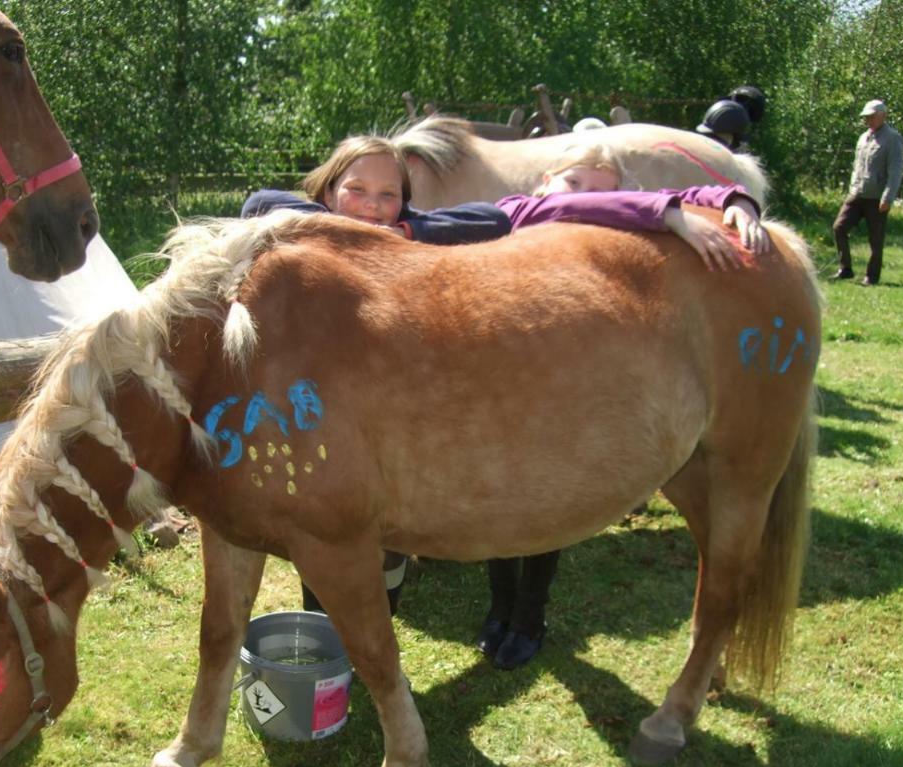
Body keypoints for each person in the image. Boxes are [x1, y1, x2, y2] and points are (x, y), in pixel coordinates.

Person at [241, 135, 770, 626]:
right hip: (326, 417)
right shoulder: (299, 229)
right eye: (355, 190)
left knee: (398, 541)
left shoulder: (462, 223)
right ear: (328, 189)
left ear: (407, 200)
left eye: (389, 194)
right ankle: (329, 632)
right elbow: (259, 202)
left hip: (431, 411)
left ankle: (438, 618)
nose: (372, 205)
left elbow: (550, 209)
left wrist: (680, 207)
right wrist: (353, 233)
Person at [832, 99, 903, 286]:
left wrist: (888, 197)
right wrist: (852, 188)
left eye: (872, 116)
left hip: (877, 198)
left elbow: (895, 171)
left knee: (875, 239)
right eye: (866, 117)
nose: (868, 120)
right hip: (857, 194)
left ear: (883, 116)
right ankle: (845, 268)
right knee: (839, 228)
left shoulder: (893, 138)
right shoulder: (863, 137)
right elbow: (857, 166)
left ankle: (872, 276)